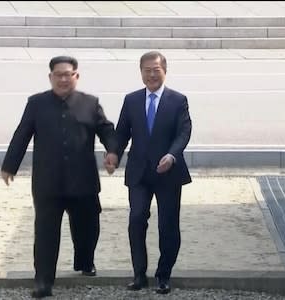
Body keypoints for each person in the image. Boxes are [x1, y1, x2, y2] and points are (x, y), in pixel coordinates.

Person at [1, 56, 118, 298]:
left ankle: (85, 261)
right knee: (45, 232)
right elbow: (22, 134)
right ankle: (43, 281)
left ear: (76, 76)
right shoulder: (36, 103)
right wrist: (10, 165)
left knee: (87, 226)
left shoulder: (90, 103)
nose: (63, 79)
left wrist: (113, 151)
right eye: (58, 75)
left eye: (68, 74)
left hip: (83, 179)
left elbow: (106, 129)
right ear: (50, 77)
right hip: (48, 181)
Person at [115, 51, 192, 294]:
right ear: (141, 73)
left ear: (164, 71)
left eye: (156, 70)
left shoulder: (177, 100)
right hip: (139, 172)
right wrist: (112, 153)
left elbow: (184, 132)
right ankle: (139, 274)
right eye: (147, 70)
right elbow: (121, 133)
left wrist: (171, 155)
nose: (151, 74)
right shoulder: (131, 100)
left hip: (168, 172)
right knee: (136, 218)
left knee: (168, 225)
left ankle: (163, 275)